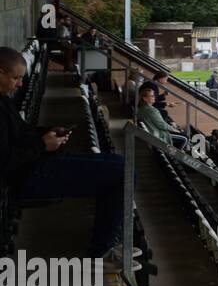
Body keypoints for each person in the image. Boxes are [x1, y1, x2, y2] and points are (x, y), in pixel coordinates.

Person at [0, 46, 133, 270]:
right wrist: (43, 144)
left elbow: (21, 133)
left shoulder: (3, 100)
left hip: (38, 162)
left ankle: (108, 242)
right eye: (16, 78)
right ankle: (101, 252)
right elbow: (5, 162)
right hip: (27, 176)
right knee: (124, 174)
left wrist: (49, 131)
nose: (20, 84)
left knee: (122, 165)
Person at [136, 85, 187, 150]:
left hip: (153, 133)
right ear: (145, 98)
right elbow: (162, 125)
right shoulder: (151, 110)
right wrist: (174, 130)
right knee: (185, 138)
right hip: (158, 135)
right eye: (152, 96)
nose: (154, 97)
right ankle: (175, 155)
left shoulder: (141, 109)